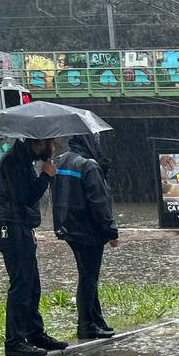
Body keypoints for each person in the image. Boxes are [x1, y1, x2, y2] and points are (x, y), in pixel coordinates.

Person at [0, 137, 66, 356]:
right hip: (9, 227)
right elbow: (25, 196)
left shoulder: (23, 161)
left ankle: (34, 333)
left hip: (20, 226)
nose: (51, 147)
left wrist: (43, 175)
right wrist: (46, 176)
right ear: (37, 143)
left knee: (32, 284)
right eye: (49, 143)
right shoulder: (13, 162)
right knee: (21, 284)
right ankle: (14, 341)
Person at [52, 133, 120, 340]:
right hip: (88, 230)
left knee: (87, 275)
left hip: (68, 227)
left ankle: (96, 320)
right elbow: (99, 202)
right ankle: (86, 325)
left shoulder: (62, 161)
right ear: (90, 142)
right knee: (88, 278)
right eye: (96, 141)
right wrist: (111, 232)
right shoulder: (88, 165)